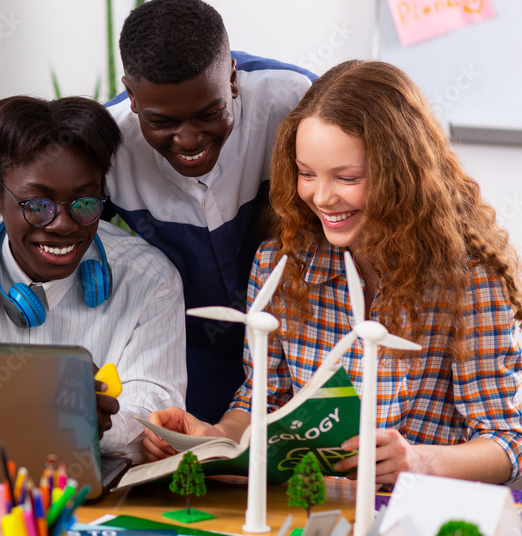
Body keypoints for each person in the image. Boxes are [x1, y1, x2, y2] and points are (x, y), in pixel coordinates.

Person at [144, 60, 522, 485]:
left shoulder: (470, 279)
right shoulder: (280, 265)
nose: (321, 197)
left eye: (347, 177)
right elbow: (261, 404)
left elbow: (503, 441)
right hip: (310, 508)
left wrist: (417, 462)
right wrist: (213, 437)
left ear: (403, 176)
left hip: (409, 514)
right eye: (306, 173)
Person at [0, 95, 187, 462]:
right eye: (38, 206)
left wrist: (68, 420)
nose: (63, 226)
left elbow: (155, 422)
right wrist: (62, 418)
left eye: (85, 205)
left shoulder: (151, 277)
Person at [106, 0, 316, 424]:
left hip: (299, 344)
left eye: (209, 112)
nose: (188, 139)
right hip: (189, 352)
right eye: (162, 122)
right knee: (197, 463)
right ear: (130, 94)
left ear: (233, 78)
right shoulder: (107, 145)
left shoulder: (295, 100)